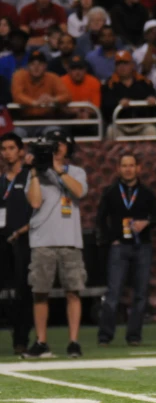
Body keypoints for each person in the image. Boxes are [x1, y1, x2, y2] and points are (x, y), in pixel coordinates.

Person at [23, 130, 88, 359]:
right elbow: (35, 201)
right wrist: (34, 171)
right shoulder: (37, 173)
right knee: (40, 292)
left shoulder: (76, 171)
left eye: (59, 144)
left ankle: (73, 342)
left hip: (70, 240)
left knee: (73, 292)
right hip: (42, 240)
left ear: (67, 147)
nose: (56, 148)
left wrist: (58, 169)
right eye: (53, 144)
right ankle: (41, 342)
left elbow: (79, 191)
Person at [96, 154, 156, 347]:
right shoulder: (111, 192)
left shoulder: (147, 193)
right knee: (113, 293)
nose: (128, 169)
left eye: (131, 165)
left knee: (140, 294)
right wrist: (111, 239)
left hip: (142, 247)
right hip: (119, 247)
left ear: (138, 168)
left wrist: (146, 222)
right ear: (119, 169)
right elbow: (100, 219)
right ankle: (105, 336)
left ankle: (134, 335)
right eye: (124, 166)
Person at [0, 132, 33, 356]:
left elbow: (40, 209)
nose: (7, 152)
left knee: (24, 291)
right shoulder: (1, 180)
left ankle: (21, 340)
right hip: (2, 240)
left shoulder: (30, 177)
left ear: (21, 151)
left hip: (24, 240)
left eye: (12, 148)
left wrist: (24, 230)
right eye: (3, 149)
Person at [11, 50, 70, 138]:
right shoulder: (19, 75)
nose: (36, 67)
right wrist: (34, 102)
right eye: (33, 64)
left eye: (40, 64)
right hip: (25, 121)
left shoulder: (52, 77)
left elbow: (67, 96)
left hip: (47, 120)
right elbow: (17, 95)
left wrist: (53, 99)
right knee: (15, 136)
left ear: (45, 66)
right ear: (28, 66)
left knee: (56, 135)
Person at [101, 50, 156, 140]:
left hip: (142, 124)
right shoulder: (109, 85)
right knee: (110, 131)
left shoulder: (144, 82)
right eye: (119, 64)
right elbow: (105, 105)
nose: (122, 67)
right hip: (120, 125)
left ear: (132, 65)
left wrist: (152, 99)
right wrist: (118, 103)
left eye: (125, 63)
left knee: (151, 130)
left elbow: (155, 99)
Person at [60, 55, 101, 129]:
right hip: (68, 118)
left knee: (98, 124)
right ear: (68, 70)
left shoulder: (94, 82)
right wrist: (75, 112)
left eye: (80, 68)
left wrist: (84, 112)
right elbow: (60, 107)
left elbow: (95, 108)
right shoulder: (61, 82)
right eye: (74, 69)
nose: (77, 72)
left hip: (89, 117)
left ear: (85, 70)